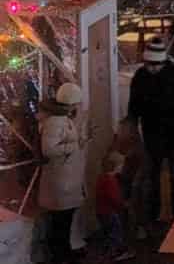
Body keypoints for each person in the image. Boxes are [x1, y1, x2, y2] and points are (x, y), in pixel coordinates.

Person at [127, 36, 174, 224]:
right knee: (152, 177)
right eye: (150, 64)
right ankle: (153, 215)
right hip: (152, 135)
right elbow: (134, 106)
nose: (153, 68)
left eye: (156, 64)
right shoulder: (142, 76)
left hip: (173, 135)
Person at [39, 83, 87, 264]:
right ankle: (60, 255)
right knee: (60, 221)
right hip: (61, 180)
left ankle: (64, 251)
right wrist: (73, 146)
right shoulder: (55, 121)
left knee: (63, 220)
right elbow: (48, 149)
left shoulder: (62, 119)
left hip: (66, 178)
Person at [96, 151, 134, 262]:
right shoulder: (110, 181)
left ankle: (107, 251)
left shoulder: (101, 178)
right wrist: (124, 204)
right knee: (116, 233)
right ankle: (116, 253)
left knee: (108, 233)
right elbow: (114, 198)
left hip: (101, 212)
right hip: (110, 212)